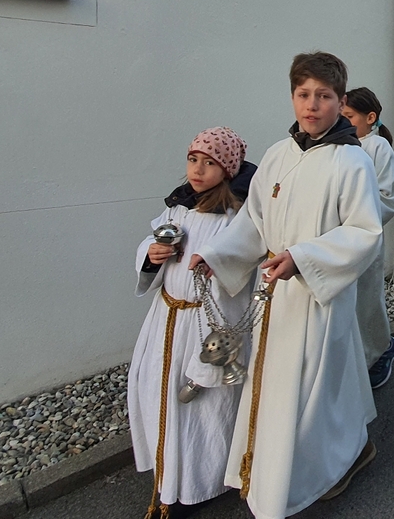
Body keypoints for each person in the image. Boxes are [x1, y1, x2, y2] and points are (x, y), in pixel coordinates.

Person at [190, 52, 384, 518]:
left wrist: (303, 258)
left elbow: (365, 232)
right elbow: (254, 221)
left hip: (319, 295)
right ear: (293, 97)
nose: (312, 105)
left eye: (324, 96)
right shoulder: (278, 155)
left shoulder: (352, 162)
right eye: (303, 94)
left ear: (341, 101)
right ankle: (275, 468)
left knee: (313, 390)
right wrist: (217, 255)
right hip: (275, 294)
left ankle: (318, 469)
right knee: (278, 387)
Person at [128, 127, 257, 517]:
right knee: (158, 396)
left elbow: (235, 280)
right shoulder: (178, 208)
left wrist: (212, 358)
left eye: (210, 163)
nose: (198, 170)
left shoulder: (234, 218)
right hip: (166, 319)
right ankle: (167, 477)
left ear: (228, 169)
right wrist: (152, 254)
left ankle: (195, 488)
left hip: (203, 327)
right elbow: (150, 243)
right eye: (193, 160)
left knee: (199, 413)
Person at [342, 87, 394, 387]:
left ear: (370, 117)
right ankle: (352, 357)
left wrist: (355, 215)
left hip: (364, 237)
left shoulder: (377, 147)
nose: (344, 122)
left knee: (366, 300)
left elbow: (389, 197)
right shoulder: (340, 146)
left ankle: (379, 351)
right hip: (340, 238)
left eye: (350, 117)